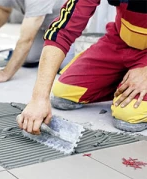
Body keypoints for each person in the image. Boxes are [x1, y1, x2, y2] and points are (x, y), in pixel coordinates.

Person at [17, 0, 147, 134]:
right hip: (121, 40)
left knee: (129, 116)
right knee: (64, 93)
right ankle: (125, 81)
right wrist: (39, 98)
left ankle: (133, 86)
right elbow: (63, 30)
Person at [0, 0, 75, 83]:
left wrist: (5, 73)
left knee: (63, 65)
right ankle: (46, 42)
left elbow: (26, 39)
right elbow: (4, 9)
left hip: (62, 24)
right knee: (29, 59)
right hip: (40, 23)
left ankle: (65, 42)